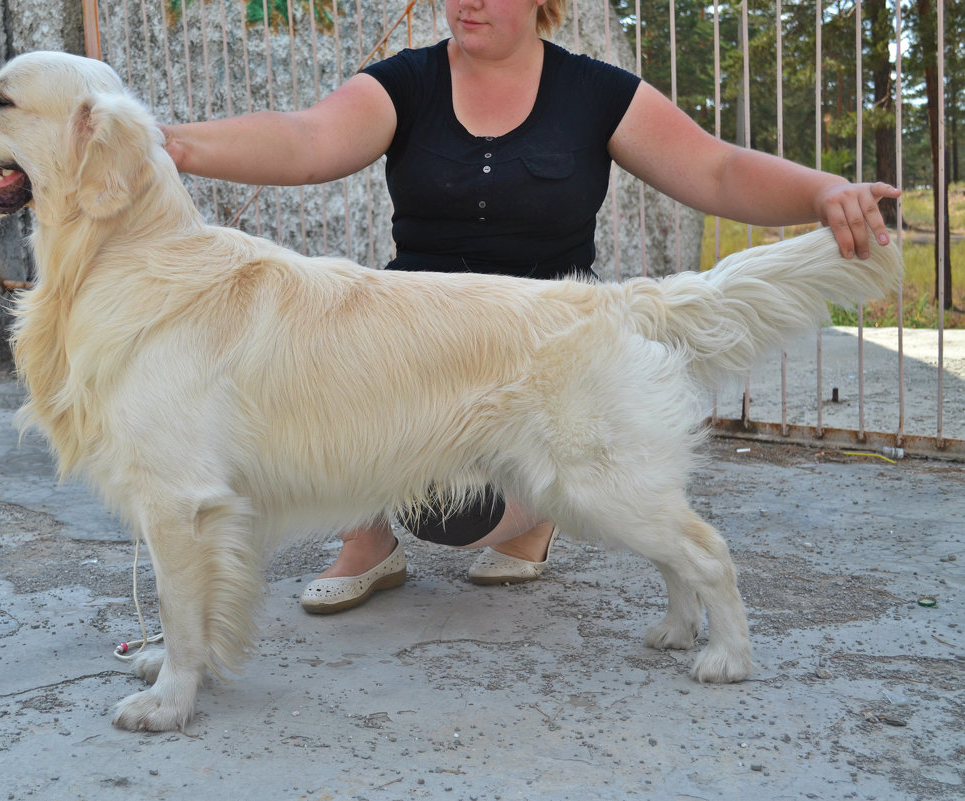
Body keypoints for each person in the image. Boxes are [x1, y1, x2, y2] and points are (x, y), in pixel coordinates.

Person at [160, 0, 900, 613]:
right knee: (333, 370)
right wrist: (176, 146)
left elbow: (718, 168)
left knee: (452, 518)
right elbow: (307, 138)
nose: (468, 1)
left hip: (539, 363)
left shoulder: (597, 92)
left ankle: (533, 512)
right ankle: (368, 537)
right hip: (412, 349)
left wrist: (819, 191)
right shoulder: (405, 82)